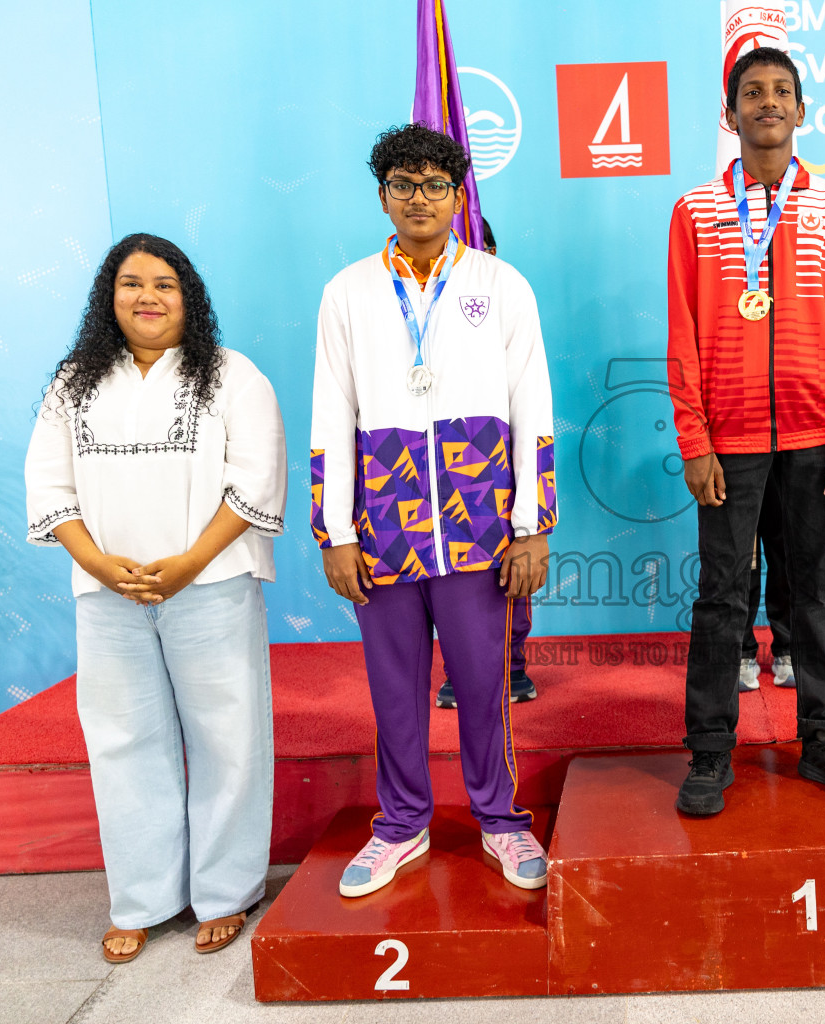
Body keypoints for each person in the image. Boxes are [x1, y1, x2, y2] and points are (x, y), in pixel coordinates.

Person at [24, 233, 286, 963]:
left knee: (227, 738)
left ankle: (228, 892)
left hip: (212, 582)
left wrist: (189, 563)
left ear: (189, 296)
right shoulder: (74, 382)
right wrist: (102, 567)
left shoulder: (232, 376)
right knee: (121, 741)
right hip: (106, 592)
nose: (148, 296)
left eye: (165, 284)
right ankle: (142, 898)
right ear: (109, 297)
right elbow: (50, 485)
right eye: (131, 283)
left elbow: (256, 480)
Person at [310, 124, 556, 895]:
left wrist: (532, 523)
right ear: (383, 196)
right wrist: (335, 531)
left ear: (458, 196)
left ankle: (500, 819)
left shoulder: (499, 284)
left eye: (435, 185)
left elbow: (533, 407)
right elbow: (331, 413)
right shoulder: (347, 291)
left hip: (481, 522)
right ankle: (401, 824)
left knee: (485, 682)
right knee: (393, 688)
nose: (419, 198)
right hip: (384, 530)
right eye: (403, 185)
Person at [668, 47, 825, 816]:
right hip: (728, 443)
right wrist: (695, 440)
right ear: (730, 114)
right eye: (752, 93)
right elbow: (683, 332)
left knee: (815, 595)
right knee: (722, 598)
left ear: (802, 109)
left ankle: (824, 740)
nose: (767, 102)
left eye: (780, 91)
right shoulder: (695, 211)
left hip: (817, 439)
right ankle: (710, 751)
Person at [436, 216, 538, 707]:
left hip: (493, 471)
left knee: (505, 578)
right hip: (431, 470)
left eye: (488, 248)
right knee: (446, 586)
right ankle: (459, 670)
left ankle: (512, 664)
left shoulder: (507, 301)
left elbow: (528, 405)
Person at [737, 509, 794, 692]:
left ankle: (787, 650)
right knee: (744, 561)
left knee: (784, 561)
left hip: (784, 482)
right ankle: (742, 652)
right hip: (741, 483)